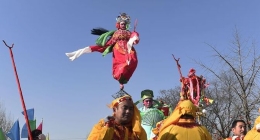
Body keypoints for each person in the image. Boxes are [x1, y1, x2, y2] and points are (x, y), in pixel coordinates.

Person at [65, 13, 140, 89]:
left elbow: (134, 39)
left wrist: (135, 37)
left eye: (124, 24)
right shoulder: (116, 33)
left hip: (128, 49)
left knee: (133, 60)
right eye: (122, 24)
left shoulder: (129, 33)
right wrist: (100, 47)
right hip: (118, 49)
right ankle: (121, 80)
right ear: (119, 25)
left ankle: (123, 78)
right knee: (121, 65)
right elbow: (111, 42)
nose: (123, 25)